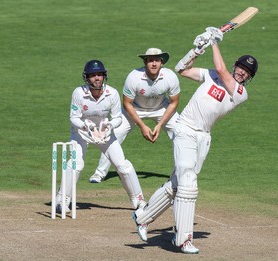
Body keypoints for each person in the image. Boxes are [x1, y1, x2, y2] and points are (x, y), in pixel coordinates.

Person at [132, 27, 259, 254]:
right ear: (236, 66)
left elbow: (221, 69)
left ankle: (142, 217)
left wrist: (214, 42)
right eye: (241, 67)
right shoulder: (211, 75)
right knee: (188, 183)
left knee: (178, 184)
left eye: (247, 72)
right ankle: (182, 239)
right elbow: (181, 69)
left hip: (204, 137)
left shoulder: (239, 92)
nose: (242, 73)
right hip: (185, 130)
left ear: (249, 78)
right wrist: (197, 49)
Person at [55, 59, 146, 214]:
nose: (96, 78)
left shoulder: (112, 93)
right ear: (86, 77)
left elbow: (118, 117)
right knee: (77, 163)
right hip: (81, 133)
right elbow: (73, 118)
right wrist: (86, 126)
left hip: (104, 133)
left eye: (99, 75)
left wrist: (110, 125)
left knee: (122, 165)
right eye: (92, 75)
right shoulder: (79, 93)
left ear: (104, 76)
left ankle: (138, 200)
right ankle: (62, 200)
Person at [88, 48, 180, 183]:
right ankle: (99, 173)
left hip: (161, 108)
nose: (153, 64)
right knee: (114, 134)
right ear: (145, 62)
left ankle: (180, 174)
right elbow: (127, 103)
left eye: (157, 60)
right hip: (135, 108)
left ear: (162, 63)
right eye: (150, 60)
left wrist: (160, 125)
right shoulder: (134, 77)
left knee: (181, 133)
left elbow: (174, 102)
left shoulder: (170, 76)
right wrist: (142, 126)